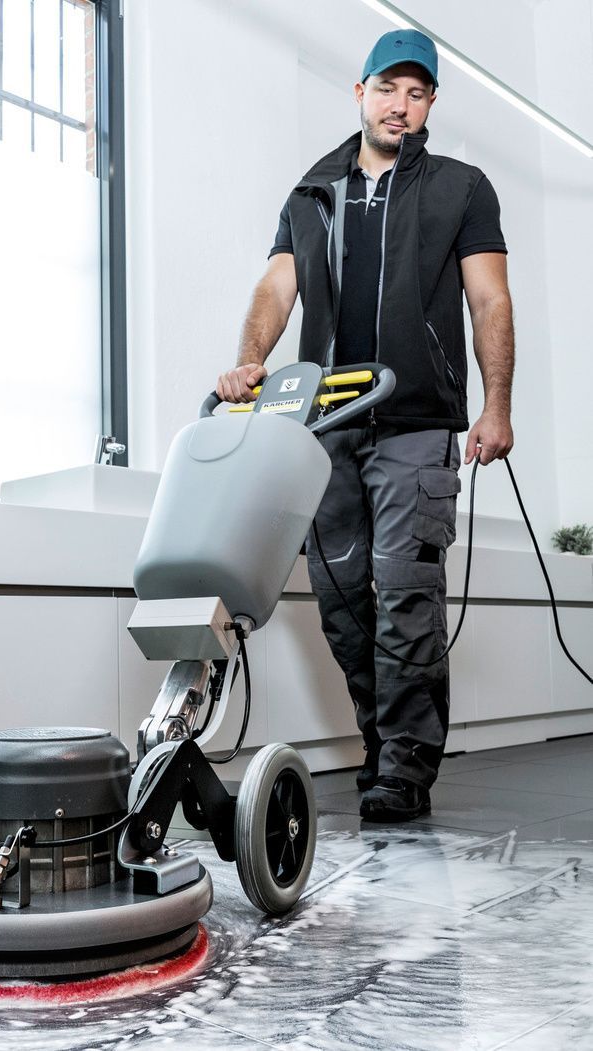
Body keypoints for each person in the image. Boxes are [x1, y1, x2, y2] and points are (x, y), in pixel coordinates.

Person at [216, 29, 515, 822]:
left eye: (416, 93)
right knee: (341, 597)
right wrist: (248, 360)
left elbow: (488, 298)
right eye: (387, 88)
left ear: (430, 104)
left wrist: (495, 404)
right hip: (326, 425)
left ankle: (406, 767)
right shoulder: (312, 190)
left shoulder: (460, 188)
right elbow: (275, 288)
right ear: (360, 92)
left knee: (406, 594)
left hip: (415, 418)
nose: (399, 106)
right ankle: (380, 743)